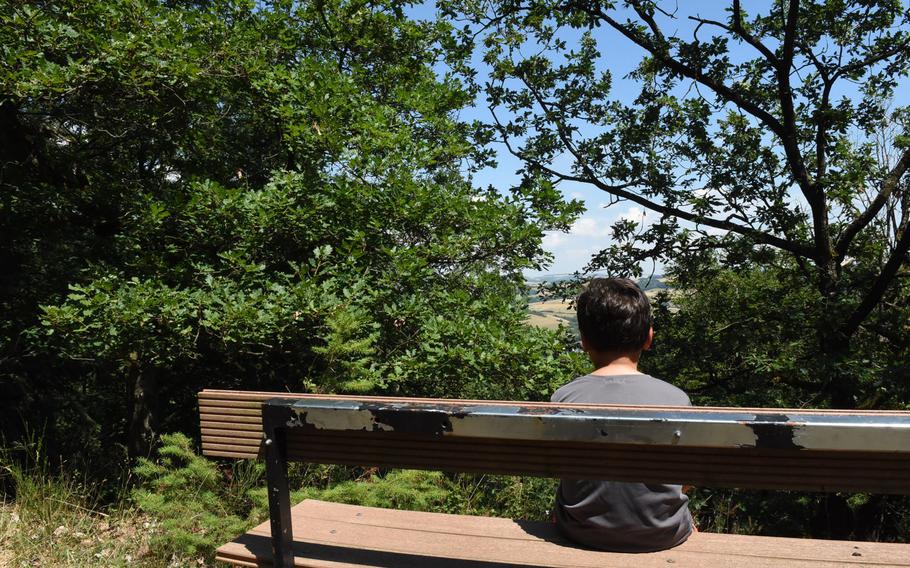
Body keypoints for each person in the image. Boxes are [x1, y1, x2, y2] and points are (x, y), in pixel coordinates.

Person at [551, 277, 693, 552]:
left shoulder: (564, 397)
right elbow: (685, 478)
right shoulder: (676, 399)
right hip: (662, 535)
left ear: (584, 341)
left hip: (581, 532)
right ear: (649, 338)